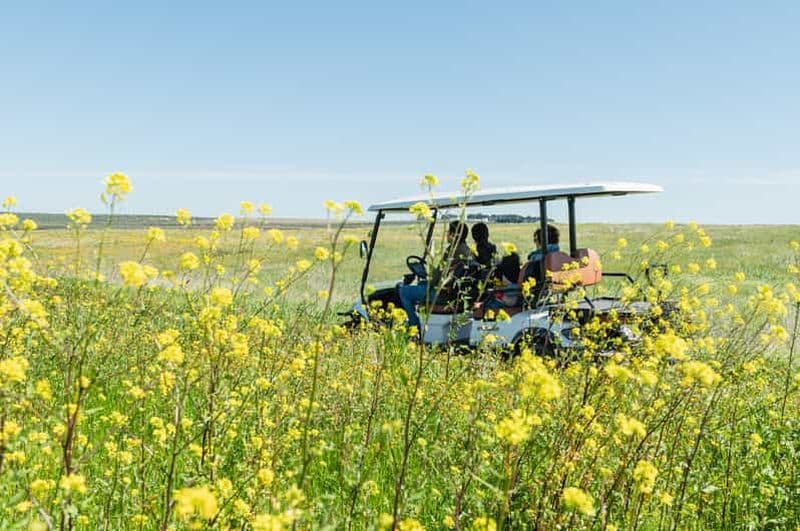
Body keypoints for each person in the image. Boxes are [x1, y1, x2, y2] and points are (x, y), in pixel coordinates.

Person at [399, 221, 470, 332]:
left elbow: (438, 275)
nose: (446, 235)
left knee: (404, 291)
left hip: (442, 294)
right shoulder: (466, 249)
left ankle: (414, 326)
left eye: (448, 232)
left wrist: (429, 280)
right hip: (453, 292)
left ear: (453, 234)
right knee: (421, 284)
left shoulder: (452, 251)